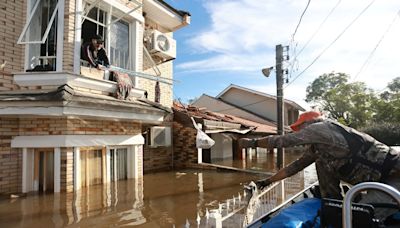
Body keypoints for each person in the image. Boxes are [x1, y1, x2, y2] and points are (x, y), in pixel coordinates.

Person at [239, 111, 400, 219]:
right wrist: (265, 183)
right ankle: (334, 204)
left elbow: (283, 141)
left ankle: (337, 209)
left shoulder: (320, 128)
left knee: (358, 218)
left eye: (300, 128)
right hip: (375, 182)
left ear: (309, 123)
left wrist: (253, 142)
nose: (300, 134)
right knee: (321, 164)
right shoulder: (319, 147)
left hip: (393, 180)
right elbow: (294, 167)